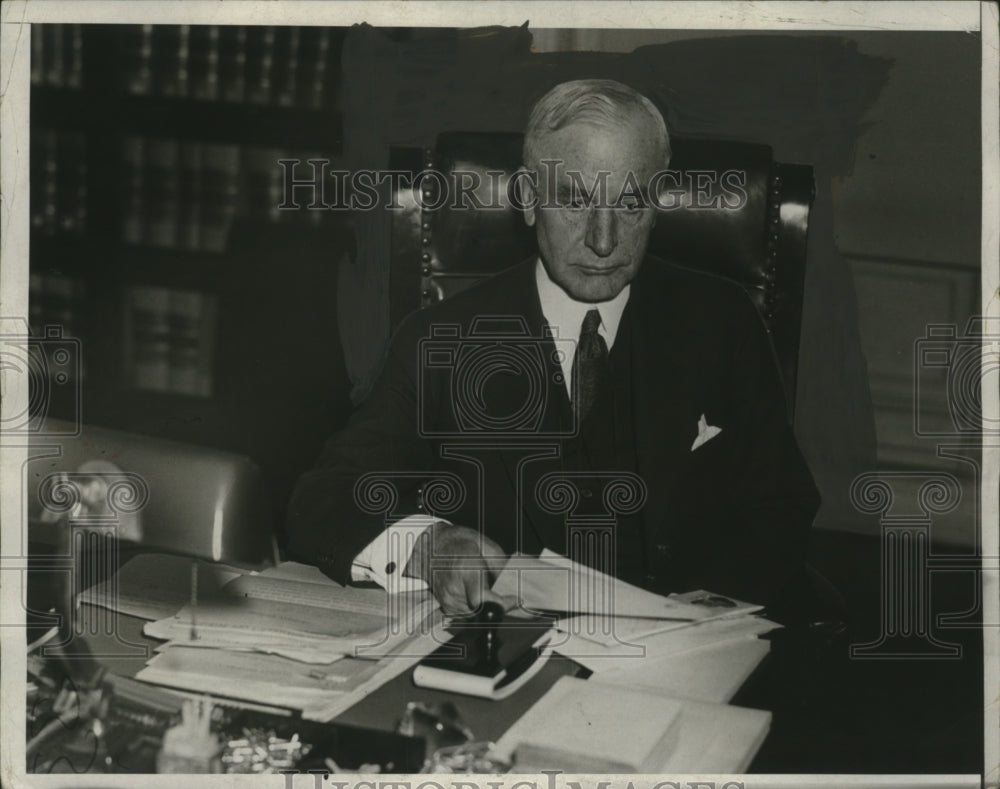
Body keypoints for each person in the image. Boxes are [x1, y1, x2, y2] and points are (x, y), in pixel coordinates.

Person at [286, 79, 820, 616]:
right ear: (526, 198)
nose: (604, 240)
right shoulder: (442, 339)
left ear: (657, 204)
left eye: (629, 202)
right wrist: (428, 547)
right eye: (574, 200)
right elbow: (324, 499)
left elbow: (781, 506)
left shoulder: (723, 322)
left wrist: (707, 612)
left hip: (684, 648)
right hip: (510, 648)